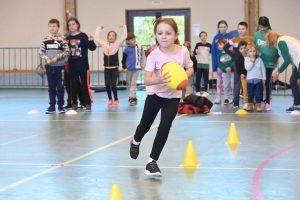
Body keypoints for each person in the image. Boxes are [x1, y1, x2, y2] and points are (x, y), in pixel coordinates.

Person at [129, 18, 194, 177]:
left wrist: (182, 77)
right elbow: (147, 80)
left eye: (168, 33)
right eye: (160, 33)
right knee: (144, 126)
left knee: (165, 126)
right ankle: (135, 141)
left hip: (173, 97)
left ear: (176, 34)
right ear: (156, 35)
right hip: (155, 95)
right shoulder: (154, 55)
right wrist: (159, 80)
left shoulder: (183, 51)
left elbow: (190, 67)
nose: (163, 36)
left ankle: (151, 162)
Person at [265, 31, 300, 112]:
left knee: (293, 81)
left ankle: (297, 104)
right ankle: (297, 104)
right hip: (298, 63)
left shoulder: (281, 42)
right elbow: (281, 53)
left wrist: (277, 73)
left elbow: (287, 60)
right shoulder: (283, 39)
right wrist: (274, 60)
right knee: (293, 81)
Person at [39, 19, 69, 114]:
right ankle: (52, 106)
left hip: (60, 67)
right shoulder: (45, 39)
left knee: (60, 86)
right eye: (50, 26)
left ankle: (60, 106)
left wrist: (57, 57)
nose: (52, 28)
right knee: (51, 87)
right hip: (49, 67)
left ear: (58, 27)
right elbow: (41, 51)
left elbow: (67, 51)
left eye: (54, 26)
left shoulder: (62, 39)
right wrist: (47, 59)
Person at [94, 23, 127, 107]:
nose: (111, 37)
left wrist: (124, 26)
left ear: (115, 38)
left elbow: (125, 36)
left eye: (113, 36)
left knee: (113, 84)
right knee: (107, 84)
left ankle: (116, 99)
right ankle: (110, 99)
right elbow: (96, 38)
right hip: (106, 68)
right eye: (110, 35)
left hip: (114, 68)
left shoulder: (117, 44)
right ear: (107, 37)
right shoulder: (104, 44)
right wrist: (99, 28)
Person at [67, 17, 96, 112]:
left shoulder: (83, 36)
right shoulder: (68, 38)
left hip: (83, 65)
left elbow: (92, 48)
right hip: (72, 66)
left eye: (73, 24)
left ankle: (88, 103)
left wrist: (91, 41)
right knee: (74, 85)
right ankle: (74, 103)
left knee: (85, 85)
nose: (71, 26)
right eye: (69, 25)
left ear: (77, 25)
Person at [224, 21, 253, 108]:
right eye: (239, 29)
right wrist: (234, 56)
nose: (241, 31)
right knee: (236, 83)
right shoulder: (234, 39)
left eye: (243, 29)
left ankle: (249, 101)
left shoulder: (250, 39)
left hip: (248, 64)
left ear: (247, 29)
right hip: (238, 65)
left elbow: (254, 49)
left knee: (249, 83)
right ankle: (235, 101)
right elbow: (225, 48)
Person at [253, 16, 279, 111]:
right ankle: (260, 101)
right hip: (259, 63)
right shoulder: (256, 35)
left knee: (267, 82)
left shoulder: (271, 34)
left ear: (268, 25)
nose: (262, 29)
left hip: (269, 63)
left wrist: (275, 60)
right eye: (260, 27)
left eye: (264, 27)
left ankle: (267, 101)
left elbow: (277, 50)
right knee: (260, 82)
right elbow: (253, 47)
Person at [121, 32, 146, 105]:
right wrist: (124, 67)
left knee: (133, 83)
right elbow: (123, 59)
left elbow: (143, 56)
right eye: (131, 39)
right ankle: (134, 97)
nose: (134, 40)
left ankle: (131, 98)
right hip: (129, 69)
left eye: (134, 39)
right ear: (128, 41)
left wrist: (143, 64)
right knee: (131, 84)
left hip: (137, 68)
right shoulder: (126, 49)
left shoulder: (139, 47)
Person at [225, 40, 249, 109]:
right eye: (241, 48)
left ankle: (248, 102)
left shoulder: (248, 55)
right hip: (239, 72)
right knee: (236, 86)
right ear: (238, 49)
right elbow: (225, 48)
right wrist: (240, 73)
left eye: (245, 48)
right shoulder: (237, 55)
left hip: (247, 73)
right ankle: (236, 102)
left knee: (246, 88)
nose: (243, 50)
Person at [244, 44, 266, 112]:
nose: (252, 53)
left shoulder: (259, 60)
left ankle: (258, 104)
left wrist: (264, 78)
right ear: (247, 52)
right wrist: (252, 61)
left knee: (258, 93)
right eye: (250, 51)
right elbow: (247, 68)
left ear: (256, 51)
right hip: (250, 80)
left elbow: (263, 69)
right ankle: (250, 104)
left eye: (254, 51)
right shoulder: (247, 59)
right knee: (250, 93)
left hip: (258, 79)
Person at [216, 38, 234, 105]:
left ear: (225, 44)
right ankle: (226, 98)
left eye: (221, 44)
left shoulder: (231, 52)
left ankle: (234, 98)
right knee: (226, 86)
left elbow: (234, 60)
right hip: (225, 73)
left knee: (234, 85)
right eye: (218, 45)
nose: (219, 46)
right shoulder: (219, 55)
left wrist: (230, 67)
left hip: (232, 72)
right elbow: (220, 64)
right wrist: (225, 69)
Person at [193, 32, 212, 97]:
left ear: (206, 37)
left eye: (204, 35)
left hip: (206, 64)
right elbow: (194, 52)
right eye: (202, 36)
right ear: (200, 37)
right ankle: (198, 91)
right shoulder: (198, 44)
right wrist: (195, 51)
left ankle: (206, 91)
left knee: (206, 78)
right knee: (198, 78)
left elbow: (212, 53)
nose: (203, 37)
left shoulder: (209, 45)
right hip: (199, 64)